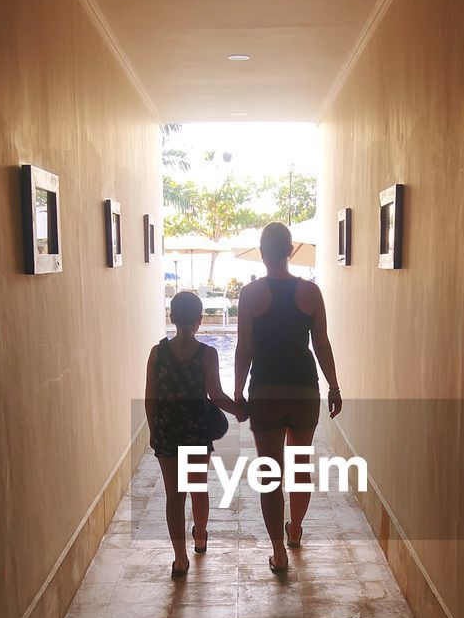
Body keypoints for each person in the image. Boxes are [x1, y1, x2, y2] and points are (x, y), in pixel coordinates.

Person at [234, 222, 342, 573]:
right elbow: (321, 344)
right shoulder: (311, 292)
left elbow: (244, 348)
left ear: (263, 252)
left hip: (266, 390)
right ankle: (294, 531)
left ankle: (279, 552)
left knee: (270, 474)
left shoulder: (250, 295)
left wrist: (237, 390)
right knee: (298, 468)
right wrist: (334, 386)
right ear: (291, 250)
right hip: (303, 390)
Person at [145, 291, 246, 577]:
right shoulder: (207, 354)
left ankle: (180, 559)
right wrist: (240, 410)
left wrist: (154, 430)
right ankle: (200, 536)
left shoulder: (157, 353)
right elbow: (215, 395)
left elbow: (150, 398)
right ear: (199, 320)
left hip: (166, 429)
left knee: (173, 496)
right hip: (195, 431)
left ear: (172, 317)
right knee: (198, 487)